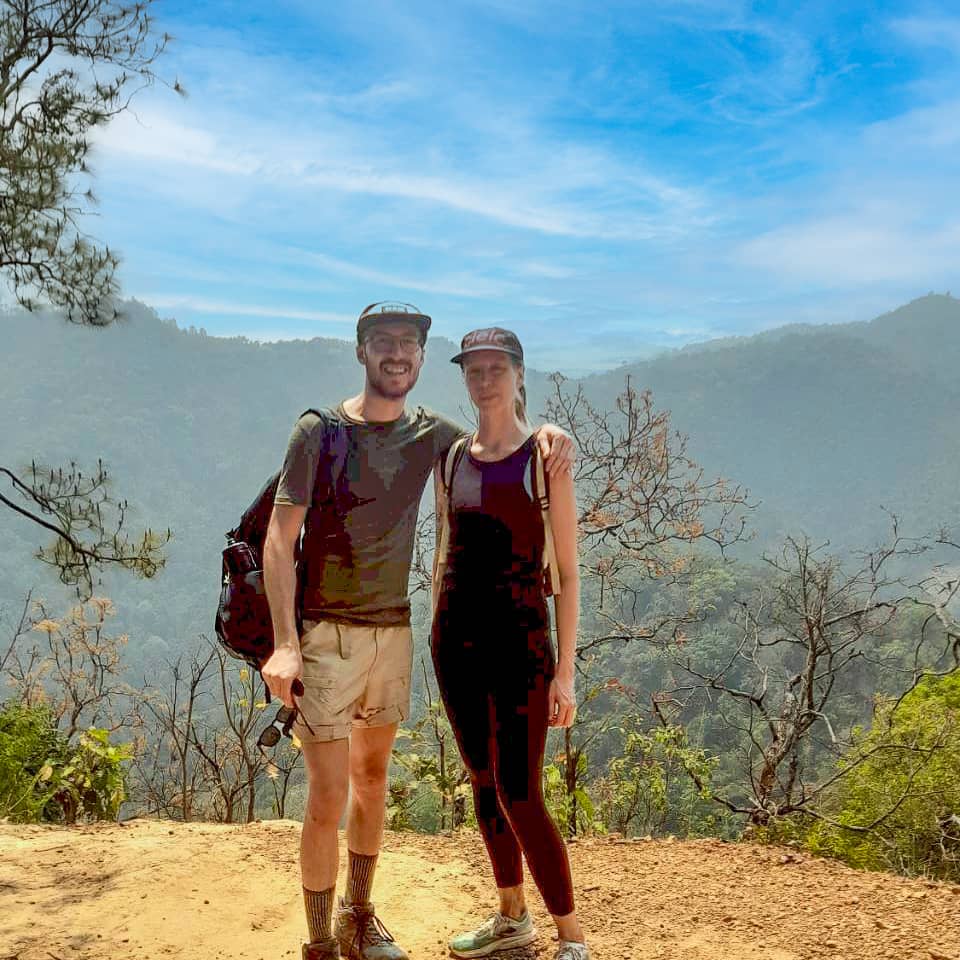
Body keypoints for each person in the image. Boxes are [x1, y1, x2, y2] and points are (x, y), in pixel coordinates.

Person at [260, 303, 574, 960]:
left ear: (423, 358)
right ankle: (319, 943)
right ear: (361, 351)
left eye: (409, 343)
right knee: (328, 793)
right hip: (326, 635)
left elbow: (501, 442)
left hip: (395, 632)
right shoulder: (319, 432)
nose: (397, 354)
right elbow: (279, 539)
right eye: (383, 341)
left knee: (373, 779)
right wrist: (286, 643)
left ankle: (359, 917)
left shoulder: (434, 436)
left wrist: (551, 432)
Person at [431, 327, 589, 960]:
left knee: (521, 793)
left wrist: (566, 672)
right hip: (455, 640)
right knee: (482, 780)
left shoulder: (544, 459)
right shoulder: (452, 459)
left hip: (522, 641)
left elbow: (568, 573)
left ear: (519, 374)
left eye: (496, 368)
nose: (484, 379)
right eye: (473, 369)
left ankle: (572, 938)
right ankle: (511, 915)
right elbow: (444, 551)